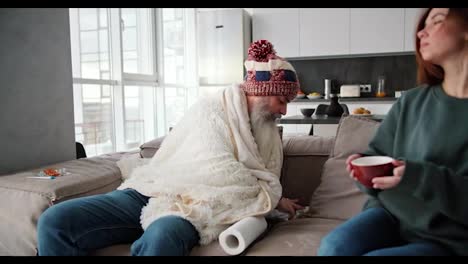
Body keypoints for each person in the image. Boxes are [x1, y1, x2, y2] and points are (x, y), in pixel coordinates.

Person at [37, 39, 304, 256]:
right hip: (152, 189)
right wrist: (270, 196)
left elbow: (265, 178)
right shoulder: (210, 109)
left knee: (163, 237)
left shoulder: (268, 131)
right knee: (56, 221)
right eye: (281, 100)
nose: (284, 110)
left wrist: (274, 198)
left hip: (196, 209)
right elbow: (216, 169)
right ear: (259, 90)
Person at [318, 8, 468, 256]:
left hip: (450, 239)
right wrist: (363, 171)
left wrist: (416, 176)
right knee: (333, 247)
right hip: (390, 216)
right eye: (423, 25)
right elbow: (376, 154)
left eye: (437, 21)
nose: (421, 32)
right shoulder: (411, 101)